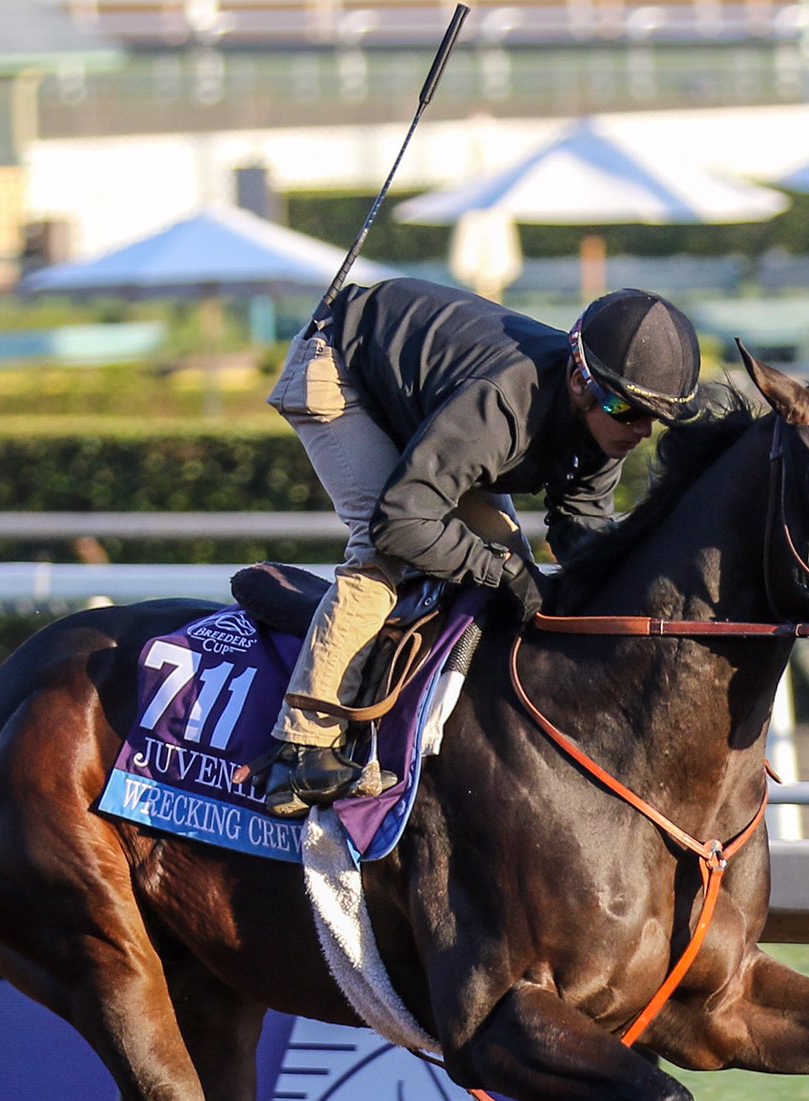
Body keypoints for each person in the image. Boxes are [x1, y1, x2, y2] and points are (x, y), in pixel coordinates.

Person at [253, 277, 703, 817]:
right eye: (628, 411)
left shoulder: (606, 420)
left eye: (655, 417)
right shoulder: (502, 405)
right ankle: (301, 749)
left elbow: (580, 530)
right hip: (340, 366)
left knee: (507, 549)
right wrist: (505, 573)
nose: (642, 430)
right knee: (386, 559)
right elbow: (399, 522)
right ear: (580, 381)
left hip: (428, 401)